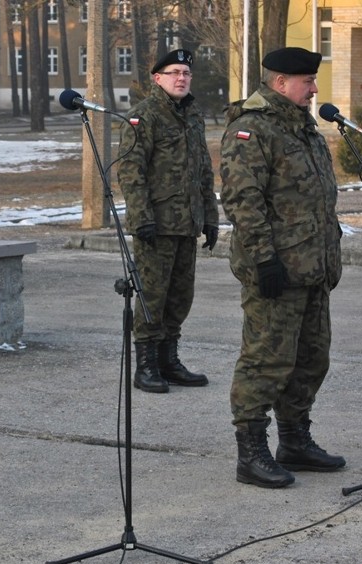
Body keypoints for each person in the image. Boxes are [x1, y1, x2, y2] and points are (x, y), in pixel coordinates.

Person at [219, 47, 346, 488]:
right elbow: (243, 202)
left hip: (312, 267)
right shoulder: (252, 129)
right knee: (266, 361)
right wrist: (264, 259)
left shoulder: (303, 127)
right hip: (276, 270)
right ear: (280, 83)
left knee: (311, 360)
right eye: (307, 82)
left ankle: (295, 440)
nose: (313, 90)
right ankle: (250, 453)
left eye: (313, 81)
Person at [117, 49, 220, 394]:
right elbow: (131, 172)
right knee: (152, 296)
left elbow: (204, 170)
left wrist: (210, 217)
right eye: (174, 72)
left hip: (187, 223)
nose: (181, 78)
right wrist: (141, 218)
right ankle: (146, 366)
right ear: (157, 78)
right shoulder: (143, 116)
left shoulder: (193, 115)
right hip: (156, 226)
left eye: (186, 73)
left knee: (179, 296)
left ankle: (168, 360)